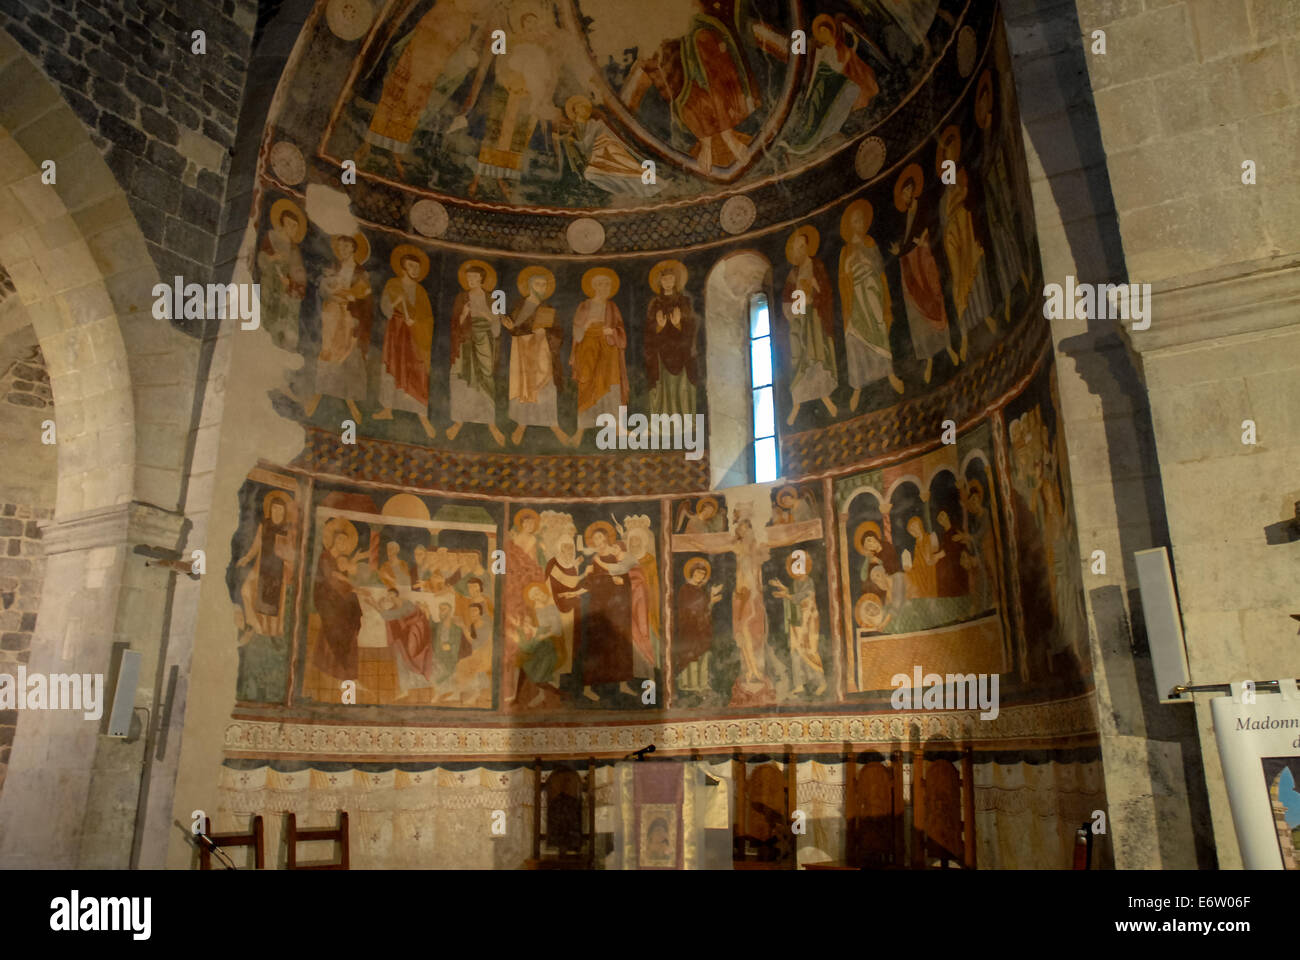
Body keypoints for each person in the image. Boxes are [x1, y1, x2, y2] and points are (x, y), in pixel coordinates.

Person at [890, 164, 956, 384]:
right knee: (917, 313)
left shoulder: (923, 208)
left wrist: (924, 241)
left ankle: (948, 345)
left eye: (908, 190)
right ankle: (928, 358)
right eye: (903, 193)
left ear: (913, 190)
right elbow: (906, 242)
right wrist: (901, 251)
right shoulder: (904, 217)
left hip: (925, 262)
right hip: (910, 266)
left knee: (935, 299)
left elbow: (933, 228)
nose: (906, 195)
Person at [839, 199, 902, 406]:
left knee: (879, 330)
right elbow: (842, 280)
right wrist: (847, 268)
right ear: (850, 226)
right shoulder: (845, 251)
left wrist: (868, 263)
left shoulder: (870, 243)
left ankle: (889, 374)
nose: (859, 224)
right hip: (855, 297)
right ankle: (857, 387)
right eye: (855, 221)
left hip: (872, 291)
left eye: (861, 220)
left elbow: (879, 267)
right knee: (854, 339)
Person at [307, 233, 372, 421]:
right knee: (327, 351)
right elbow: (322, 290)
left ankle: (350, 401)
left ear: (353, 249)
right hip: (332, 314)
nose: (342, 250)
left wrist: (353, 300)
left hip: (349, 317)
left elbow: (365, 300)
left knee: (348, 356)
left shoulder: (361, 273)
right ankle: (318, 394)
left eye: (346, 246)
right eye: (340, 246)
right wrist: (333, 293)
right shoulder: (332, 268)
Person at [375, 244, 437, 438]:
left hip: (416, 338)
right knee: (392, 368)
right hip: (396, 332)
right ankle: (387, 408)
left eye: (417, 267)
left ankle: (422, 415)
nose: (415, 270)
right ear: (403, 268)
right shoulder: (393, 284)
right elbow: (385, 308)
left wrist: (416, 322)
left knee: (417, 372)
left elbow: (429, 319)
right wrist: (396, 302)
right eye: (411, 266)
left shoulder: (421, 291)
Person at [503, 266, 566, 445]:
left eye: (544, 285)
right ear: (530, 286)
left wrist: (546, 333)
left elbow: (558, 333)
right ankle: (521, 424)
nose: (541, 288)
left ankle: (553, 425)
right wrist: (512, 328)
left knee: (546, 388)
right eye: (538, 284)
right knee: (524, 387)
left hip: (543, 353)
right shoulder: (519, 306)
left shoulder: (548, 308)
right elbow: (515, 328)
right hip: (522, 354)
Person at [781, 225, 838, 425]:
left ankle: (825, 397)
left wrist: (815, 287)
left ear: (808, 247)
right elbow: (787, 299)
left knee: (817, 355)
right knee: (800, 359)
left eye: (802, 246)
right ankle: (797, 403)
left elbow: (827, 291)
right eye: (796, 248)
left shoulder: (817, 266)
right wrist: (795, 308)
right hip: (799, 321)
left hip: (815, 317)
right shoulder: (793, 273)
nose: (800, 251)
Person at [569, 268, 628, 447]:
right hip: (588, 350)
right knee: (587, 386)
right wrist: (586, 325)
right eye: (601, 284)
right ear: (594, 287)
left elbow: (621, 330)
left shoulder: (612, 307)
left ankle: (617, 427)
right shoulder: (584, 306)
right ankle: (581, 430)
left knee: (611, 386)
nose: (604, 287)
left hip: (608, 350)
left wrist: (613, 332)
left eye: (607, 284)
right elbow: (576, 332)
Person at [448, 260, 504, 444]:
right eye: (468, 277)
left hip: (484, 343)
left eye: (474, 277)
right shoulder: (461, 298)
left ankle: (490, 423)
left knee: (485, 378)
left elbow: (497, 330)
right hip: (465, 342)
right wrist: (464, 314)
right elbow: (455, 324)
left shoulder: (492, 299)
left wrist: (486, 315)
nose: (470, 280)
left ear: (482, 279)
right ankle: (458, 421)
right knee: (460, 377)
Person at [645, 260, 699, 423]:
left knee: (682, 383)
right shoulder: (655, 303)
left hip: (681, 350)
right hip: (661, 350)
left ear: (676, 281)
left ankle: (686, 420)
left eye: (671, 279)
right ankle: (662, 422)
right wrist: (659, 327)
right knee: (664, 384)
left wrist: (678, 324)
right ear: (660, 282)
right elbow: (648, 328)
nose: (668, 282)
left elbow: (691, 324)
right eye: (664, 279)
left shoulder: (684, 301)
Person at [237, 491, 296, 636]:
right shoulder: (264, 524)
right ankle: (256, 625)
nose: (277, 512)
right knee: (246, 591)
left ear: (284, 512)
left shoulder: (287, 529)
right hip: (261, 567)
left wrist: (288, 559)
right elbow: (257, 544)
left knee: (274, 606)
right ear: (270, 509)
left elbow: (292, 553)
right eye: (274, 508)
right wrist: (247, 558)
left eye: (280, 509)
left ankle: (271, 633)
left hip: (278, 571)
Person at [769, 555, 827, 696]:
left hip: (809, 621)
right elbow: (793, 594)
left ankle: (821, 683)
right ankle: (799, 684)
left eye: (800, 566)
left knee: (810, 651)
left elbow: (800, 597)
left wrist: (785, 595)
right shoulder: (795, 583)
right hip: (797, 621)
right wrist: (781, 587)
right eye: (795, 567)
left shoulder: (809, 581)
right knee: (795, 651)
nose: (798, 570)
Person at [258, 200, 306, 351]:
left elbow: (299, 274)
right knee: (265, 310)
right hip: (269, 281)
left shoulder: (294, 249)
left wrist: (290, 282)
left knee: (281, 316)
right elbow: (261, 258)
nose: (293, 228)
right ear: (283, 222)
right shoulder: (271, 237)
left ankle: (277, 345)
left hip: (284, 289)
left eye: (295, 226)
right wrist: (273, 258)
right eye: (290, 224)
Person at [675, 557, 722, 693]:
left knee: (702, 655)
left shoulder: (702, 590)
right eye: (697, 573)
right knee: (691, 656)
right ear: (692, 573)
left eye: (702, 574)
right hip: (689, 628)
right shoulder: (685, 589)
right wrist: (705, 605)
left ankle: (702, 684)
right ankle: (689, 684)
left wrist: (711, 599)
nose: (700, 576)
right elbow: (687, 609)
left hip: (702, 629)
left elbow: (706, 610)